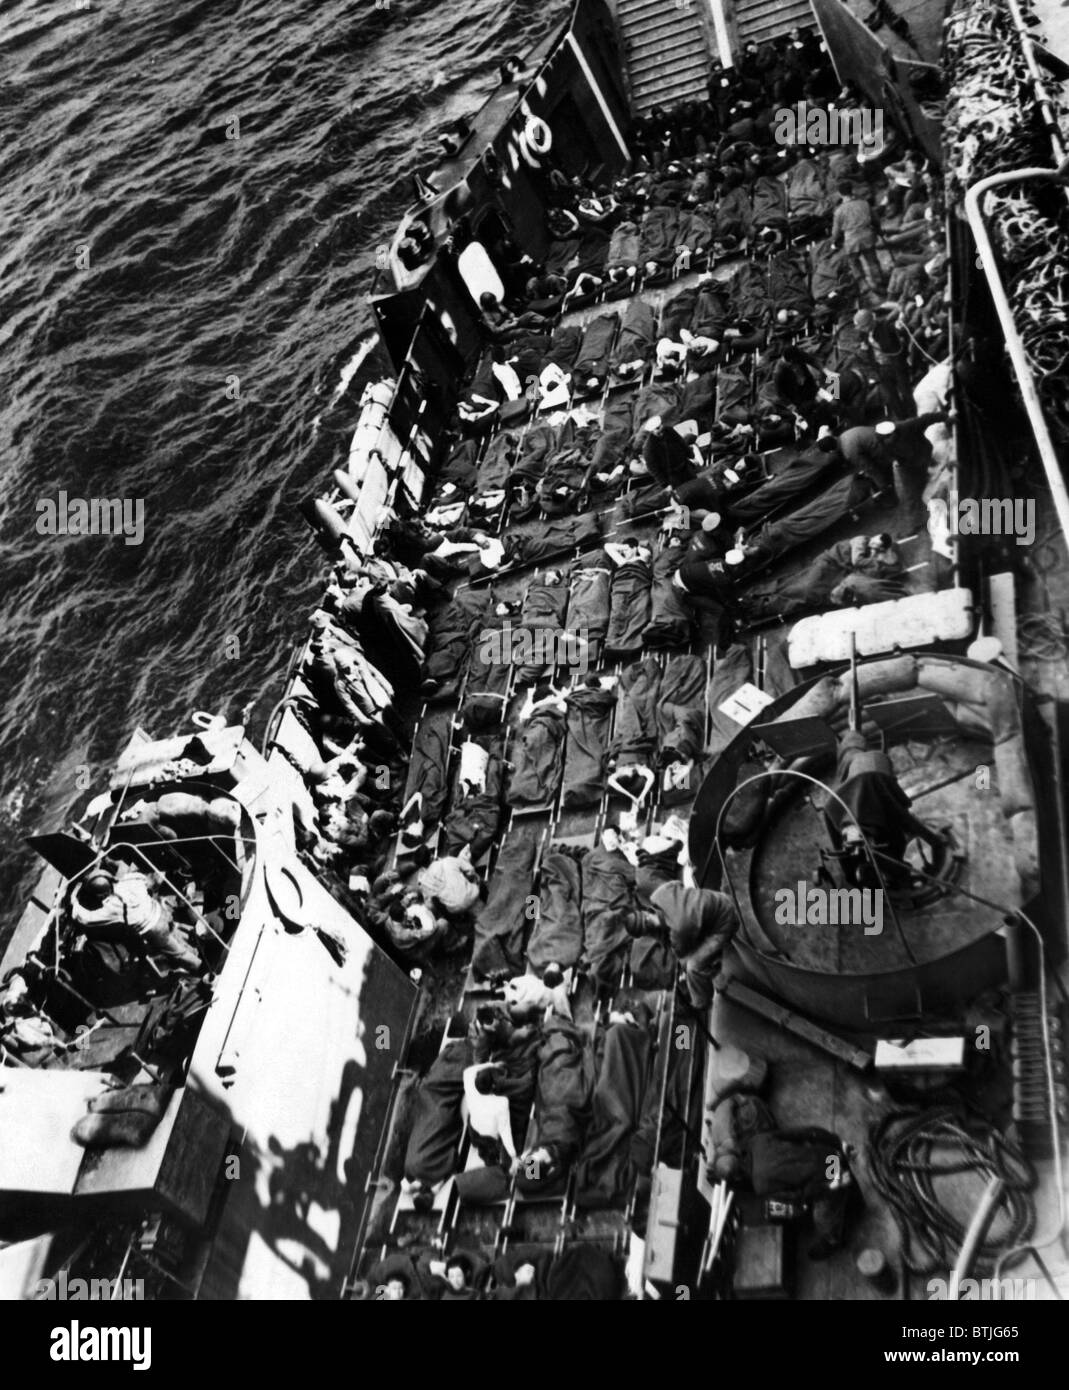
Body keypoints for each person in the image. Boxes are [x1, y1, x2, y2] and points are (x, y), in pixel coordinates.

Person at [70, 866, 201, 972]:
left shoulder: (111, 908)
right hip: (161, 912)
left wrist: (74, 898)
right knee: (172, 933)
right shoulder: (129, 880)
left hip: (154, 930)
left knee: (178, 954)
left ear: (101, 895)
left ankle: (202, 970)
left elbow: (84, 918)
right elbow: (146, 880)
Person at [648, 881, 738, 1009]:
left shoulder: (678, 929)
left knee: (692, 966)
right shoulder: (658, 895)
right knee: (693, 954)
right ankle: (714, 972)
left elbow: (681, 953)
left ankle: (701, 1003)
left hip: (726, 921)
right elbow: (678, 883)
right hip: (719, 900)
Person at [830, 181, 883, 292]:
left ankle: (863, 284)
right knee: (872, 261)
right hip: (867, 236)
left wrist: (833, 242)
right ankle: (879, 282)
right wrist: (879, 231)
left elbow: (835, 232)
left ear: (840, 194)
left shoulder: (839, 211)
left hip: (851, 241)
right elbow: (876, 220)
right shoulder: (864, 203)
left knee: (853, 263)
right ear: (852, 190)